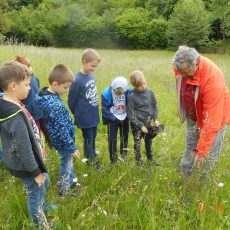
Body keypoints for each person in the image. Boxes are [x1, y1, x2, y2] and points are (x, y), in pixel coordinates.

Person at [0, 61, 49, 227]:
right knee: (34, 193)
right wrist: (35, 172)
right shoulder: (14, 115)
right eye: (27, 85)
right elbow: (24, 149)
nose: (30, 88)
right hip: (28, 166)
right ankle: (39, 223)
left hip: (31, 162)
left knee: (45, 182)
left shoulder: (8, 102)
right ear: (14, 86)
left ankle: (43, 207)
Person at [172, 45, 230, 178]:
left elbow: (212, 122)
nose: (183, 76)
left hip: (215, 117)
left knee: (209, 153)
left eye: (186, 73)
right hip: (193, 113)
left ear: (196, 64)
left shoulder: (212, 80)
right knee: (190, 144)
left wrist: (202, 151)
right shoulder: (181, 67)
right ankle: (186, 174)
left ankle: (202, 182)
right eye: (181, 72)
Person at [35, 64, 80, 197]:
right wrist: (72, 147)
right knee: (65, 164)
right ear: (55, 84)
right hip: (63, 141)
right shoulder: (53, 104)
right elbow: (61, 130)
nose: (67, 90)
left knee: (67, 161)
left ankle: (71, 181)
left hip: (59, 139)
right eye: (65, 87)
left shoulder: (46, 95)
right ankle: (63, 191)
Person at [68, 48, 101, 166]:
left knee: (93, 136)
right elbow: (71, 101)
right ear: (84, 61)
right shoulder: (76, 80)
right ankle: (91, 162)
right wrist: (77, 113)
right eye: (92, 66)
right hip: (84, 117)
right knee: (88, 138)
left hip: (93, 115)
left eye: (95, 66)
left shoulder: (90, 76)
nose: (94, 69)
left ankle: (91, 155)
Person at [15, 55, 52, 148]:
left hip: (40, 110)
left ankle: (52, 145)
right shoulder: (19, 84)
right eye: (26, 68)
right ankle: (38, 152)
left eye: (30, 66)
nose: (30, 69)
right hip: (30, 114)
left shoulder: (35, 78)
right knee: (35, 134)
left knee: (48, 130)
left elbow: (37, 92)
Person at [127, 70, 161, 166]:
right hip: (137, 125)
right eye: (140, 85)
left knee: (148, 140)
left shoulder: (150, 92)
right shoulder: (131, 97)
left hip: (148, 122)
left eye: (144, 83)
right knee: (137, 142)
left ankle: (150, 158)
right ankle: (138, 161)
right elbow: (130, 114)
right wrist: (141, 126)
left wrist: (156, 118)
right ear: (135, 86)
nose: (144, 86)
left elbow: (154, 106)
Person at [101, 76, 131, 165]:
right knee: (112, 139)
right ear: (112, 88)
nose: (119, 95)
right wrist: (113, 118)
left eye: (121, 93)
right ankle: (113, 160)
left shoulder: (128, 91)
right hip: (112, 118)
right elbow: (104, 109)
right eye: (117, 93)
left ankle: (123, 156)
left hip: (125, 117)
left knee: (124, 137)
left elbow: (131, 104)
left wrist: (129, 115)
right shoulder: (106, 94)